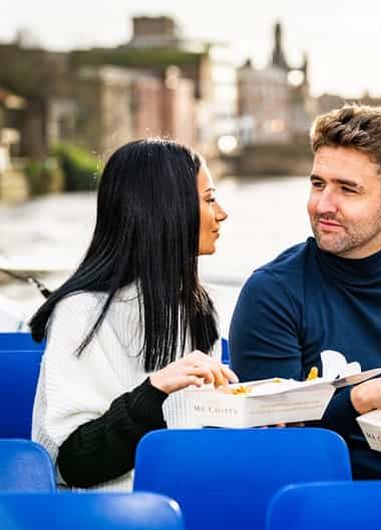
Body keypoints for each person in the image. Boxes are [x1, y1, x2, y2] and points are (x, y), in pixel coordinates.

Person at [229, 104, 381, 479]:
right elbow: (276, 443)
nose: (322, 205)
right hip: (314, 504)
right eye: (318, 184)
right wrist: (361, 400)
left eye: (347, 189)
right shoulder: (271, 292)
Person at [30, 138, 236, 491]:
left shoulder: (197, 307)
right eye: (209, 198)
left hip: (182, 501)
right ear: (168, 210)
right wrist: (155, 391)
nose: (222, 213)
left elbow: (193, 441)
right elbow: (74, 463)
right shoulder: (81, 312)